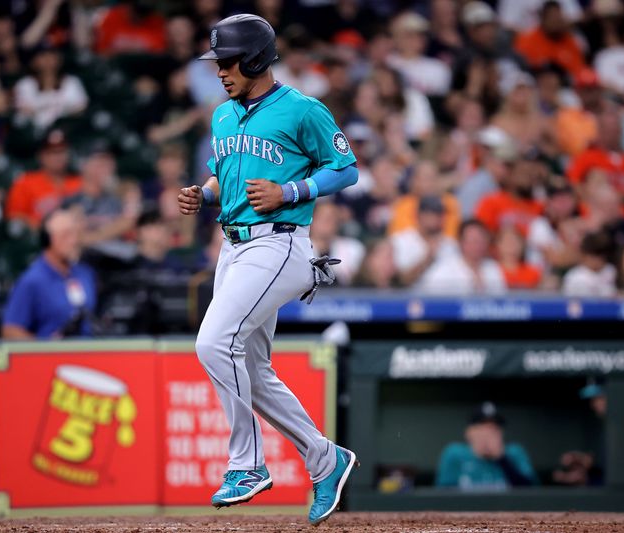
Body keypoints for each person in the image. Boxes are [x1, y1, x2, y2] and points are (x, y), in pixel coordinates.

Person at [176, 14, 358, 525]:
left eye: (227, 61)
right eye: (216, 62)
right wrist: (203, 195)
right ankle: (326, 458)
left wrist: (292, 191)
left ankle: (245, 464)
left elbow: (347, 168)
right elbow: (224, 180)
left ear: (255, 58)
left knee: (213, 343)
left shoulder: (302, 109)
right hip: (233, 247)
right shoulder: (222, 116)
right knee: (251, 371)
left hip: (279, 243)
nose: (219, 71)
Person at [1, 209, 96, 340]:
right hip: (54, 357)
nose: (74, 241)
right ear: (48, 240)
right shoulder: (32, 281)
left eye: (75, 234)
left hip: (88, 356)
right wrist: (44, 348)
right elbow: (11, 331)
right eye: (66, 235)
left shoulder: (85, 274)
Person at [436, 401, 538, 490]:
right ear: (469, 432)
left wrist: (502, 459)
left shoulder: (514, 452)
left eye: (494, 428)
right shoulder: (455, 453)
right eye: (482, 428)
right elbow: (443, 495)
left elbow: (531, 493)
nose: (488, 433)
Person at [5, 129, 82, 229]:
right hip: (37, 239)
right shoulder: (25, 183)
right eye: (52, 153)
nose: (58, 157)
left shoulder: (79, 182)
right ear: (41, 156)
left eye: (61, 152)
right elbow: (14, 217)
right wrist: (44, 228)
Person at [419, 219, 507, 295]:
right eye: (474, 241)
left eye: (482, 240)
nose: (479, 245)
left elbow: (500, 300)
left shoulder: (492, 267)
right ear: (461, 242)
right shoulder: (444, 269)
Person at [391, 196, 459, 290]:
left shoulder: (451, 244)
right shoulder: (400, 241)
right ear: (418, 215)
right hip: (410, 301)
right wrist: (428, 258)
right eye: (431, 214)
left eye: (440, 214)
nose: (436, 218)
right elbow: (400, 282)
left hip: (444, 300)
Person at [561, 230, 617, 297]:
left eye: (602, 257)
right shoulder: (574, 277)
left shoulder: (610, 271)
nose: (599, 260)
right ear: (586, 255)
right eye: (595, 256)